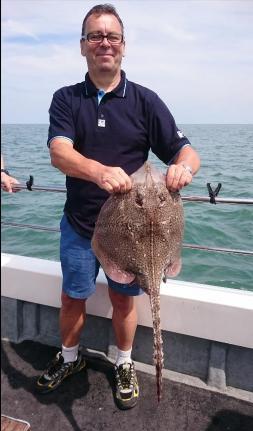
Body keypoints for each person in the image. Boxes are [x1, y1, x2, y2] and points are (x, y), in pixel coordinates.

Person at [36, 4, 200, 409]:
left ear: (124, 46)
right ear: (83, 46)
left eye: (112, 36)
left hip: (132, 231)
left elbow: (185, 151)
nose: (104, 43)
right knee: (73, 295)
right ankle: (70, 358)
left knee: (124, 299)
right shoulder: (66, 98)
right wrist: (97, 171)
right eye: (95, 36)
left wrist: (183, 169)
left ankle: (124, 363)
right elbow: (60, 153)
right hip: (79, 225)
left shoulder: (145, 100)